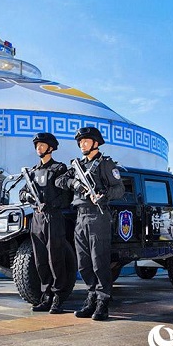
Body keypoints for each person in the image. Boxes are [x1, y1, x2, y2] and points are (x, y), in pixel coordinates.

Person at [56, 127, 124, 321]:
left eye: (86, 141)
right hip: (80, 217)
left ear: (95, 143)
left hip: (98, 215)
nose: (82, 145)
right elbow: (60, 180)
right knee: (83, 263)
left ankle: (103, 301)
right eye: (80, 142)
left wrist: (104, 196)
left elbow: (119, 189)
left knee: (99, 261)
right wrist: (74, 184)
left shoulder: (106, 164)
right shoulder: (76, 165)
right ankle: (91, 297)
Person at [19, 132, 72, 314]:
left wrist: (49, 204)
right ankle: (46, 295)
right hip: (37, 219)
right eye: (37, 146)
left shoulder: (59, 168)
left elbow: (66, 197)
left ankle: (58, 297)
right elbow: (22, 193)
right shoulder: (32, 172)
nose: (38, 148)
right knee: (40, 260)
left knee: (55, 258)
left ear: (51, 147)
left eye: (42, 145)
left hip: (53, 217)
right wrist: (27, 196)